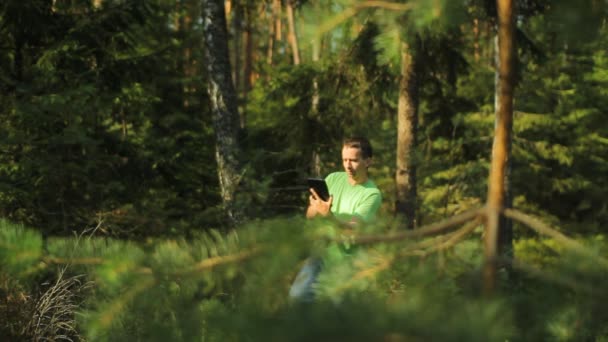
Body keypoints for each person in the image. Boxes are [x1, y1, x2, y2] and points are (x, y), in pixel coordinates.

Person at [289, 137, 382, 302]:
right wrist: (315, 209)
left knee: (335, 311)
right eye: (344, 160)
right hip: (321, 252)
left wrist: (329, 216)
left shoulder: (372, 194)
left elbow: (353, 228)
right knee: (297, 297)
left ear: (368, 162)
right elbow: (310, 215)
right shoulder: (333, 179)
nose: (347, 165)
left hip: (347, 262)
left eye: (353, 160)